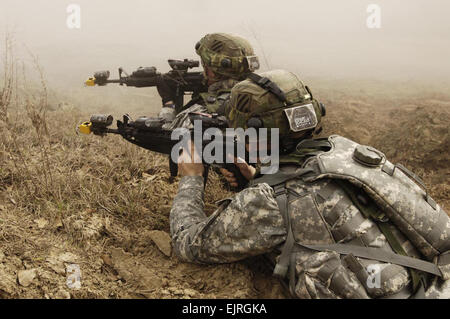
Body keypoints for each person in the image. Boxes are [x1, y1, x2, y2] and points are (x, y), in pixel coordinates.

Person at [169, 69, 450, 299]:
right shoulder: (351, 152)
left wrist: (191, 178)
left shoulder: (268, 202)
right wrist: (259, 178)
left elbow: (189, 243)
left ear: (251, 131)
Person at [158, 32, 260, 128]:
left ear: (212, 70)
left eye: (204, 65)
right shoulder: (260, 92)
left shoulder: (204, 111)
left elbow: (169, 135)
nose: (203, 71)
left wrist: (168, 105)